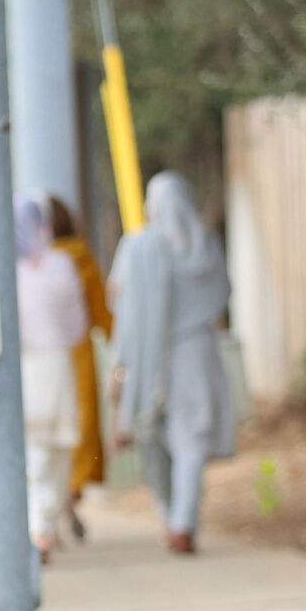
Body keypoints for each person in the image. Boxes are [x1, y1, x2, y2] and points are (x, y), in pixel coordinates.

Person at [109, 172, 235, 555]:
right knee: (191, 439)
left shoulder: (138, 246)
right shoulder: (208, 246)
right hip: (197, 352)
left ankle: (172, 517)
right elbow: (223, 296)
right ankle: (182, 521)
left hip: (150, 355)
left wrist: (120, 364)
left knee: (152, 435)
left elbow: (120, 301)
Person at [14, 194, 88, 560]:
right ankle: (44, 526)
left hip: (23, 369)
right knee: (58, 450)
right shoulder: (61, 264)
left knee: (33, 454)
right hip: (57, 365)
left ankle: (38, 527)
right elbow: (78, 324)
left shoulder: (5, 270)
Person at [48, 196, 114, 540]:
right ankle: (69, 496)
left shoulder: (29, 262)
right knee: (80, 426)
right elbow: (102, 312)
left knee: (47, 432)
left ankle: (55, 506)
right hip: (78, 353)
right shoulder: (81, 259)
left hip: (39, 356)